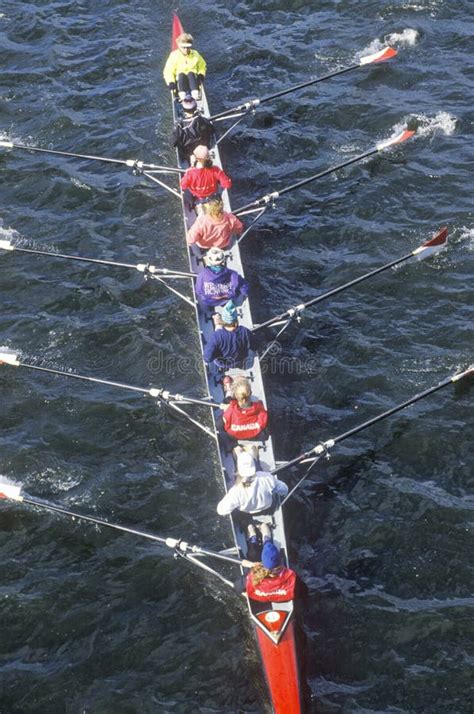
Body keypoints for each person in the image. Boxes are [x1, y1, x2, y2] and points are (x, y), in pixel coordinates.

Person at [216, 451, 288, 517]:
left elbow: (221, 511)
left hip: (248, 512)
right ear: (254, 467)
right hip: (268, 508)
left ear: (238, 469)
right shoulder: (267, 477)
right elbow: (285, 490)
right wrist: (271, 487)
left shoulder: (235, 492)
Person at [203, 300, 254, 370]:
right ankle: (241, 365)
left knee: (218, 328)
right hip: (240, 361)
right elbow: (256, 346)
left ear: (223, 320)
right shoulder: (244, 331)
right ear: (236, 319)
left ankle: (216, 318)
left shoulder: (217, 336)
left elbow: (207, 358)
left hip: (223, 364)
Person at [163, 32, 207, 101]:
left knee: (191, 74)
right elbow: (168, 71)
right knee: (181, 75)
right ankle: (182, 97)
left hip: (193, 79)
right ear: (179, 46)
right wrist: (171, 82)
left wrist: (201, 75)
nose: (186, 49)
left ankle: (195, 95)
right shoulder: (173, 55)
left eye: (188, 47)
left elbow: (202, 66)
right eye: (183, 47)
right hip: (180, 81)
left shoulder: (195, 54)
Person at [171, 96, 215, 162]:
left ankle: (191, 161)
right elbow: (212, 131)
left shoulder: (179, 125)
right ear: (195, 108)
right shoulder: (204, 120)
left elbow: (173, 142)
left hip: (188, 152)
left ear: (183, 109)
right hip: (203, 148)